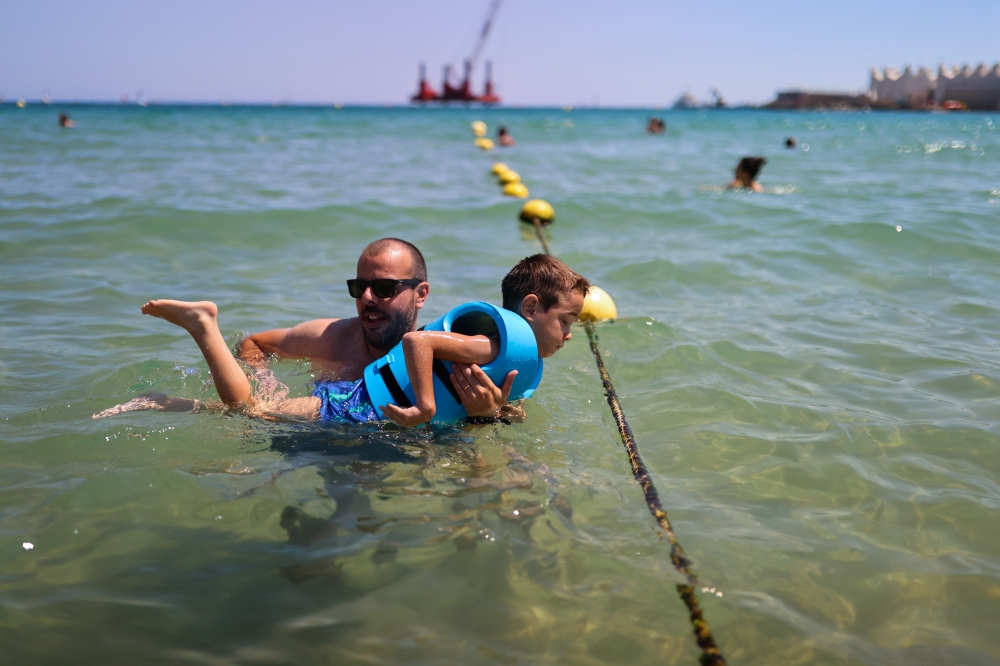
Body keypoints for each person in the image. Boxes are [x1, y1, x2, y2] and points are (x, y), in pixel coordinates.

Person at [93, 239, 512, 421]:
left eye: (384, 288)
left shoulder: (445, 349)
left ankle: (165, 402)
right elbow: (253, 342)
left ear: (421, 294)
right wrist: (264, 378)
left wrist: (487, 416)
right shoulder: (331, 337)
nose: (367, 298)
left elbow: (507, 414)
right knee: (252, 415)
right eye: (359, 287)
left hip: (385, 441)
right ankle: (201, 334)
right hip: (328, 430)